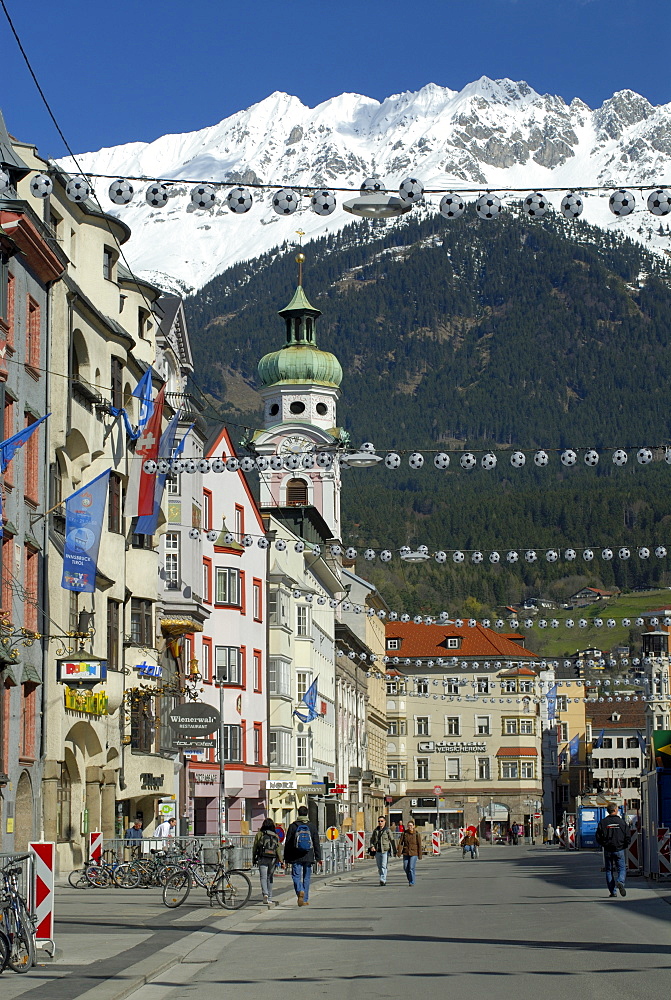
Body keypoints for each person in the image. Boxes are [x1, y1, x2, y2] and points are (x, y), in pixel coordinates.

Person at [284, 806, 322, 907]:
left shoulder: (293, 826)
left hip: (296, 856)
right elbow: (316, 843)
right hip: (309, 855)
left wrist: (286, 858)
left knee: (296, 876)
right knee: (307, 878)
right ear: (307, 813)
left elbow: (287, 843)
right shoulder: (312, 826)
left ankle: (300, 890)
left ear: (298, 813)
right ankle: (305, 899)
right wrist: (318, 857)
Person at [595, 803, 631, 898]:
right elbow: (628, 835)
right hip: (619, 849)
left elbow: (598, 837)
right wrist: (625, 845)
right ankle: (620, 881)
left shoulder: (603, 822)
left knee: (609, 870)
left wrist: (604, 844)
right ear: (615, 810)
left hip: (608, 849)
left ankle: (613, 892)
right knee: (622, 868)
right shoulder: (622, 822)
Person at [252, 818, 283, 908]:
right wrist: (281, 860)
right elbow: (278, 849)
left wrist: (253, 859)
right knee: (270, 877)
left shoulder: (259, 834)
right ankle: (270, 897)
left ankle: (265, 894)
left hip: (262, 857)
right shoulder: (275, 836)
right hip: (272, 859)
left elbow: (255, 847)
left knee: (263, 877)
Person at [369, 815, 396, 885]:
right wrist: (372, 846)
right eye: (379, 821)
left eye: (382, 821)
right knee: (379, 866)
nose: (380, 822)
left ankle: (383, 879)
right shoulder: (376, 831)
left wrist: (395, 850)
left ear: (385, 822)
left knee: (384, 865)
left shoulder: (387, 830)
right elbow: (372, 840)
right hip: (377, 850)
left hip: (385, 850)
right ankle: (382, 877)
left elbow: (392, 840)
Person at [397, 819, 422, 885]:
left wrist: (420, 855)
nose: (410, 827)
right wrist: (399, 852)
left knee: (411, 867)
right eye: (408, 826)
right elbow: (400, 843)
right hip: (406, 852)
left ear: (413, 826)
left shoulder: (416, 834)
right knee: (405, 867)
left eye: (411, 826)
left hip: (414, 853)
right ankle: (410, 878)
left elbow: (419, 844)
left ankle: (412, 881)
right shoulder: (404, 833)